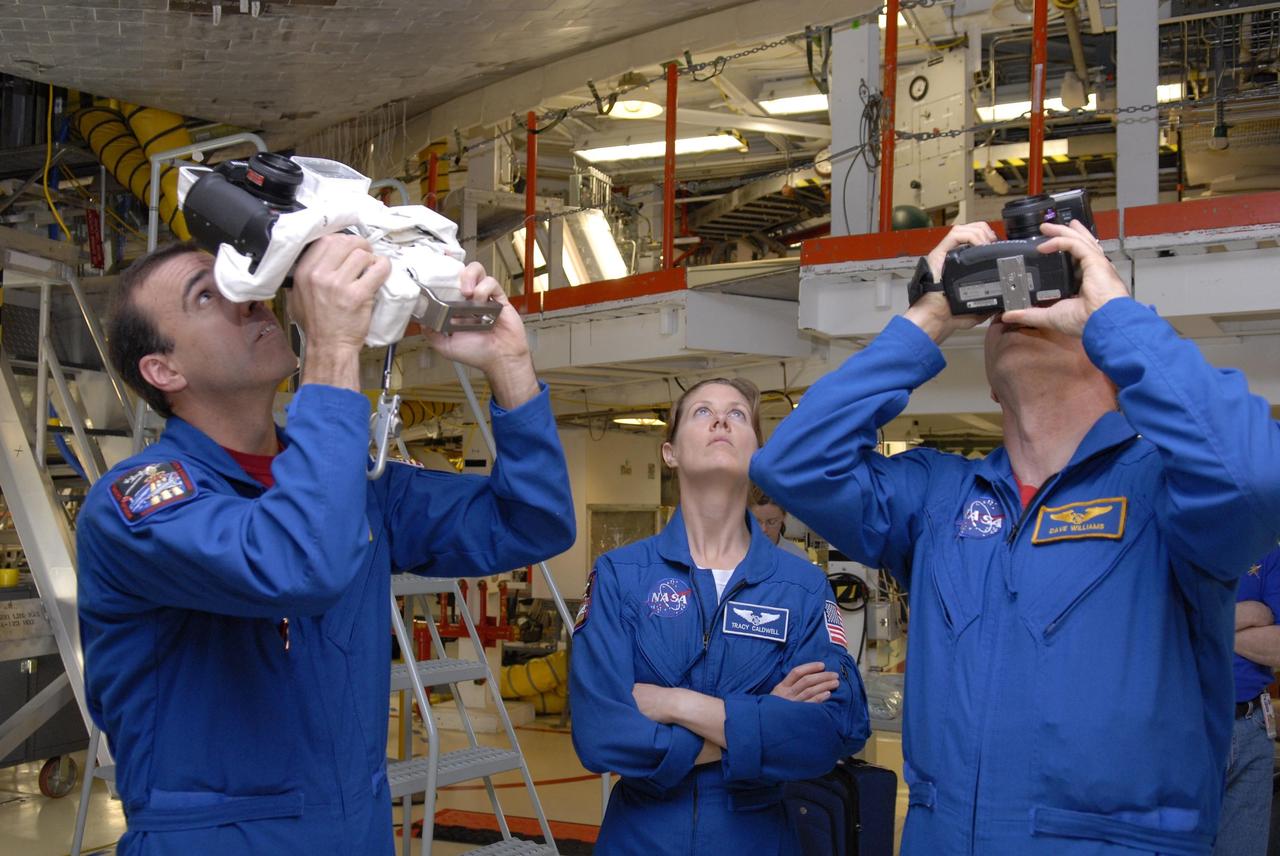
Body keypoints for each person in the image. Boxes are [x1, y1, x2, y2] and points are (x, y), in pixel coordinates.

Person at [752, 219, 1280, 855]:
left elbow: (1257, 477)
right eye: (1002, 304)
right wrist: (931, 313)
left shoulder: (1166, 492)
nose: (1024, 308)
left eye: (1055, 297)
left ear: (1111, 364)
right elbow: (792, 464)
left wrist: (1113, 312)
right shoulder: (937, 496)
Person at [76, 235, 576, 855]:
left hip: (355, 833)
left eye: (243, 280)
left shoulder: (359, 487)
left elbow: (533, 523)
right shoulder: (136, 507)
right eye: (208, 294)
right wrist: (334, 348)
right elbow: (296, 564)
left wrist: (511, 366)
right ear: (164, 370)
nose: (248, 298)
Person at [569, 377, 869, 855]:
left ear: (756, 451)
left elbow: (834, 730)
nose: (721, 420)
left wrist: (675, 705)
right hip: (640, 838)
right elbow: (599, 734)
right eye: (702, 412)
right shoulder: (621, 576)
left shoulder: (800, 587)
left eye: (738, 415)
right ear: (670, 452)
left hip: (756, 838)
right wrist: (760, 724)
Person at [1215, 546, 1280, 856]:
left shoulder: (1268, 551)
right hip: (1191, 727)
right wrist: (1253, 613)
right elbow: (1163, 628)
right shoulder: (1178, 539)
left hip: (1254, 729)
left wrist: (1208, 626)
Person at [749, 485, 811, 560]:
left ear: (784, 517)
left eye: (771, 522)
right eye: (757, 521)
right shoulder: (736, 555)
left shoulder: (798, 557)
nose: (763, 529)